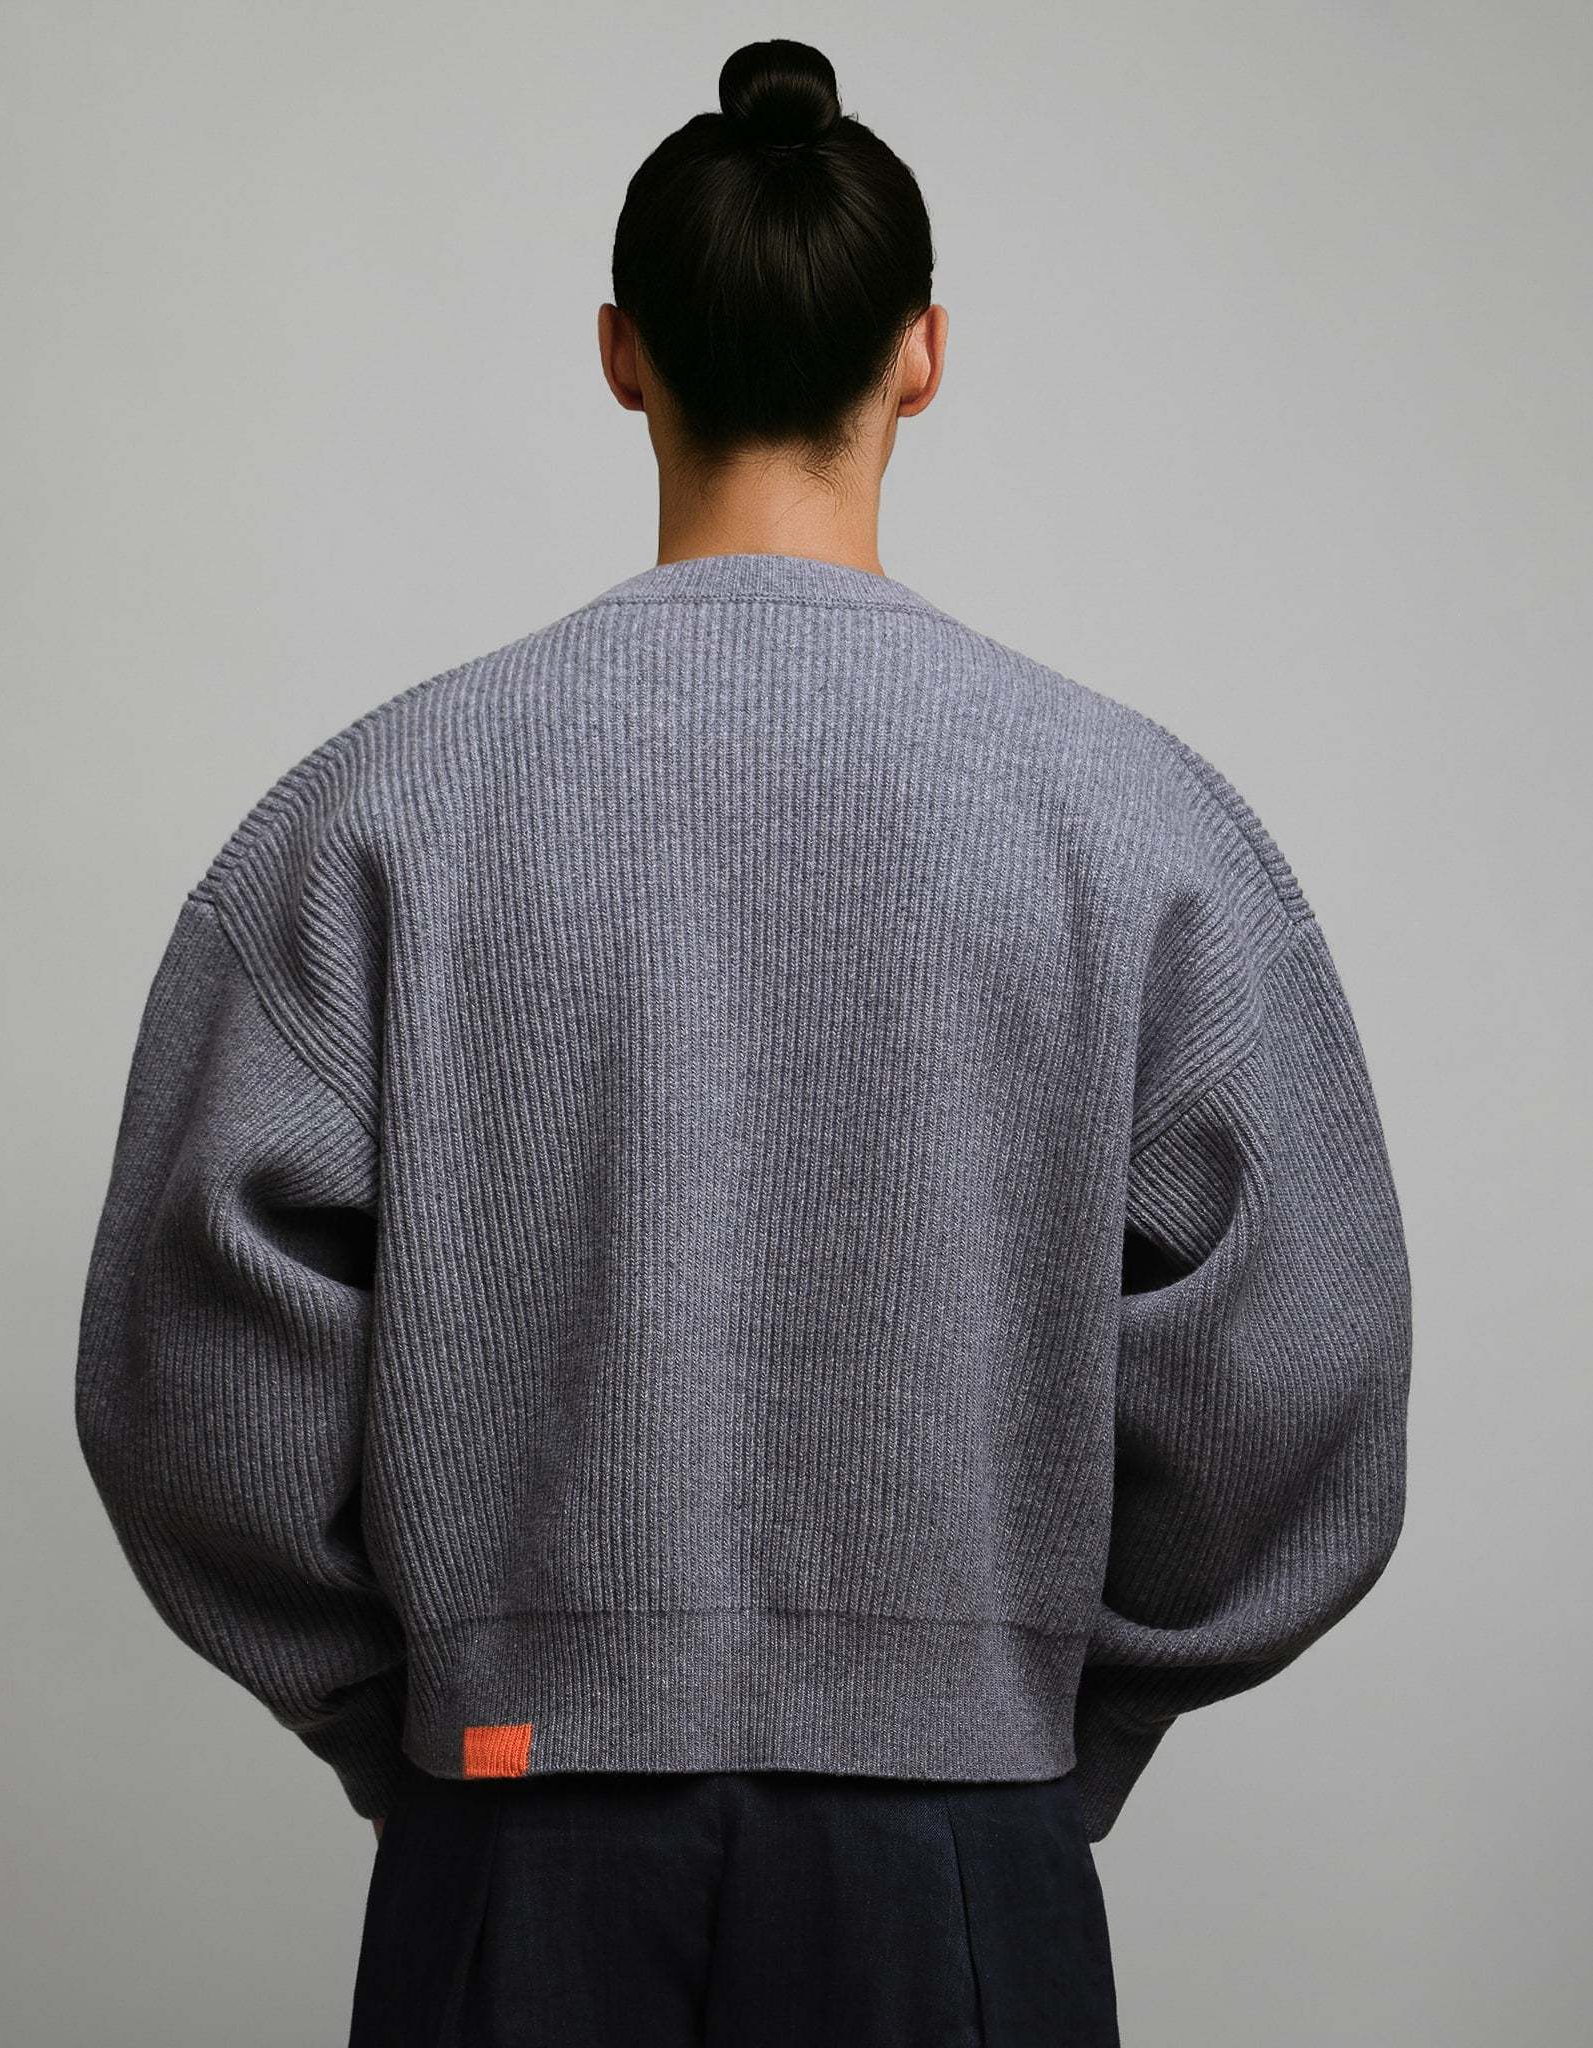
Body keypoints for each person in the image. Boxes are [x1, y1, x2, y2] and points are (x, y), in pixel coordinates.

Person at [73, 37, 1413, 2048]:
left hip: (510, 1823)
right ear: (921, 355)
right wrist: (1035, 1711)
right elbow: (1300, 1376)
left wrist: (426, 1710)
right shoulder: (1138, 829)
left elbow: (190, 1387)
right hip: (963, 1844)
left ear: (623, 353)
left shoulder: (377, 814)